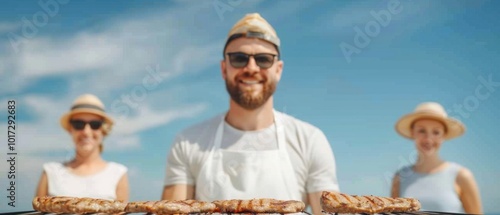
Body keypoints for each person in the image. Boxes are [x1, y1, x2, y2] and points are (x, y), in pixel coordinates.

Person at [162, 13, 339, 214]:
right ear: (223, 68)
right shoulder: (187, 142)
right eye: (239, 59)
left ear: (278, 70)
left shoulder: (310, 140)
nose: (251, 68)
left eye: (264, 59)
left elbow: (327, 210)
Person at [391, 102, 482, 214]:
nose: (428, 139)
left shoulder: (462, 176)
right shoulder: (400, 177)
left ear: (444, 136)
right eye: (422, 131)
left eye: (436, 132)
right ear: (412, 133)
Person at [35, 94, 129, 201]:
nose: (86, 132)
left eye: (95, 124)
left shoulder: (117, 173)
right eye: (78, 124)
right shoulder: (50, 172)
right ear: (71, 129)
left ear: (103, 130)